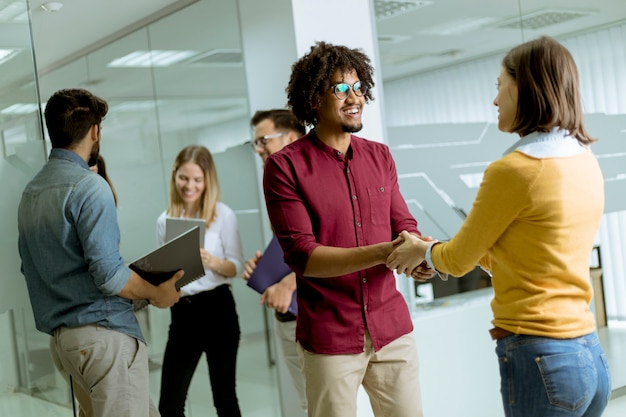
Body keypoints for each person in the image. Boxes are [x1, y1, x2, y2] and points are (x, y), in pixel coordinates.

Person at [387, 36, 612, 417]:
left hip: (540, 355)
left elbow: (456, 261)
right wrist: (448, 249)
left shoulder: (515, 170)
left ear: (524, 89)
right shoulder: (583, 158)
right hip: (589, 353)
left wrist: (421, 250)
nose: (494, 101)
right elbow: (528, 257)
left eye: (499, 86)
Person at [262, 42, 433, 417]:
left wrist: (420, 253)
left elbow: (403, 223)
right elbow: (304, 256)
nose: (354, 97)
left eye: (358, 87)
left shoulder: (380, 155)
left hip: (393, 331)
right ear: (313, 97)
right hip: (331, 338)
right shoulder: (284, 167)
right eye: (340, 88)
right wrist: (388, 252)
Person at [18, 88, 181, 417]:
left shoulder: (31, 192)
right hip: (104, 339)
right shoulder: (90, 186)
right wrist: (157, 293)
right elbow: (109, 276)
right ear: (95, 131)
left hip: (66, 343)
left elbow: (31, 268)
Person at [157, 145, 244, 417]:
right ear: (174, 176)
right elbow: (166, 278)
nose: (189, 186)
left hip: (218, 309)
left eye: (197, 179)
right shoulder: (165, 220)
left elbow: (236, 267)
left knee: (224, 398)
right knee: (169, 404)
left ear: (207, 180)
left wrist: (212, 262)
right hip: (183, 312)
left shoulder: (223, 215)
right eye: (184, 178)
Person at [242, 109, 307, 413]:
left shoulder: (315, 185)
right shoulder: (279, 186)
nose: (258, 149)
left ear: (291, 138)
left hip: (314, 317)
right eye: (255, 143)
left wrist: (288, 281)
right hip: (287, 317)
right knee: (310, 404)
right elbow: (295, 248)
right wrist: (267, 271)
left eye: (263, 140)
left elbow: (334, 244)